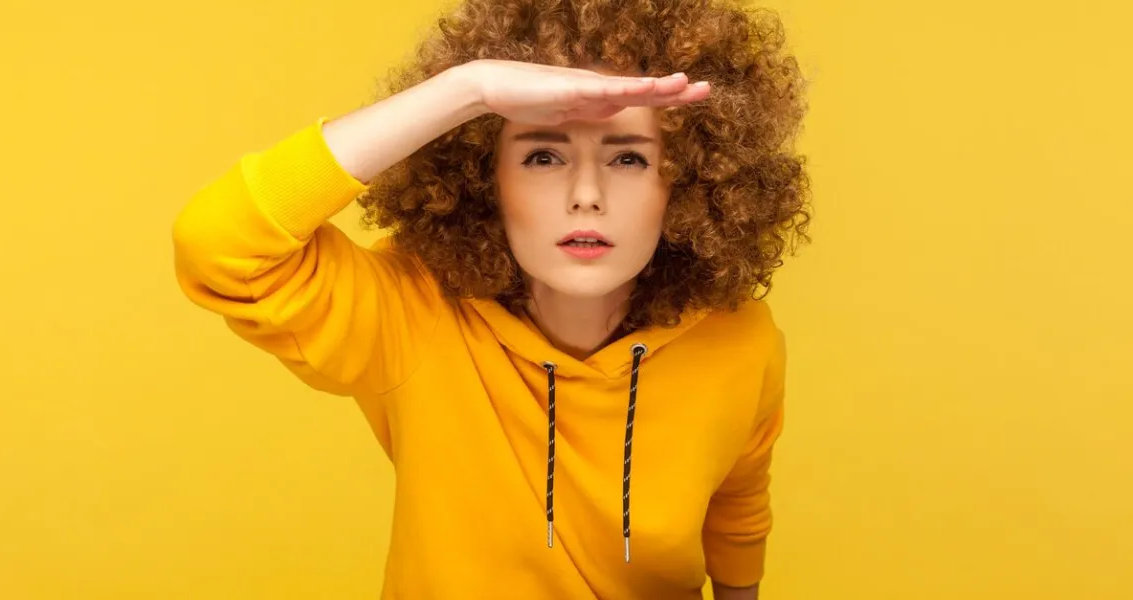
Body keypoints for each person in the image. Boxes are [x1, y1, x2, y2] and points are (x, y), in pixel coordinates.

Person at [172, 0, 809, 597]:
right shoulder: (415, 312)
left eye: (628, 161)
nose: (585, 194)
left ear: (689, 183)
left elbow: (737, 512)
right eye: (540, 156)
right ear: (484, 180)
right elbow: (220, 249)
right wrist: (467, 90)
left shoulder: (742, 339)